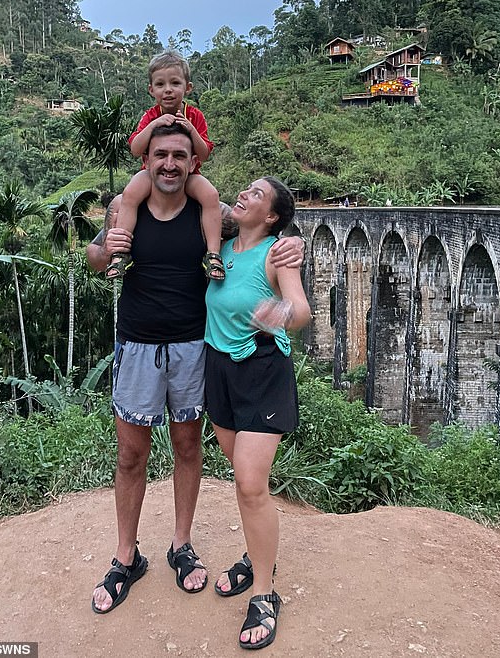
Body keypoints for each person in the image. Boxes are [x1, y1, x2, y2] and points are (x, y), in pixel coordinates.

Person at [85, 122, 305, 615]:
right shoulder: (128, 207)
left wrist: (295, 244)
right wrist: (105, 250)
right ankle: (126, 557)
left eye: (178, 157)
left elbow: (264, 236)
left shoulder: (216, 220)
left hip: (191, 348)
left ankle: (181, 545)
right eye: (160, 154)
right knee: (130, 456)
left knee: (188, 447)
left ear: (192, 163)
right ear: (148, 159)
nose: (169, 164)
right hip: (138, 346)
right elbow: (95, 256)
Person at [204, 177, 311, 650]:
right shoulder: (222, 243)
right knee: (243, 479)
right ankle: (257, 556)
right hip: (218, 369)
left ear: (271, 217)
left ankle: (265, 595)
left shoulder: (276, 252)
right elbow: (204, 197)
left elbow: (302, 309)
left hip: (263, 369)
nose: (245, 195)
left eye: (257, 195)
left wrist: (277, 312)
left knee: (250, 484)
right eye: (245, 189)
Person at [106, 50, 224, 282]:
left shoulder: (195, 115)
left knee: (211, 195)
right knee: (129, 194)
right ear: (151, 90)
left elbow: (205, 154)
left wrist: (190, 129)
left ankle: (213, 254)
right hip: (151, 175)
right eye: (160, 84)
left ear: (187, 88)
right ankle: (121, 251)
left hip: (189, 174)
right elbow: (135, 148)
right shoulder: (150, 116)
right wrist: (153, 126)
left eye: (175, 83)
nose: (168, 89)